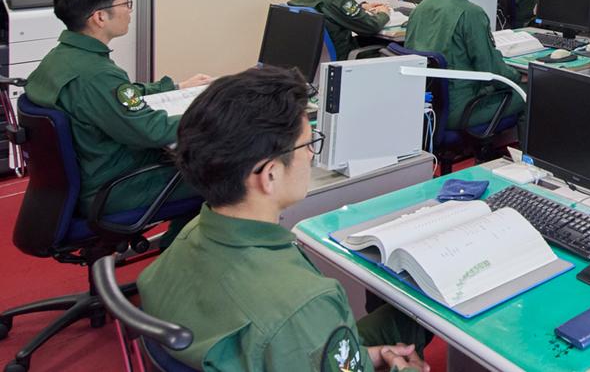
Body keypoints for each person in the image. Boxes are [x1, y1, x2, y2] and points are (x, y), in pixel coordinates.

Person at [138, 66, 430, 371]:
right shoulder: (305, 302)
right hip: (294, 342)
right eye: (307, 144)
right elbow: (298, 329)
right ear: (270, 175)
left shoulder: (190, 234)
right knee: (414, 315)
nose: (312, 155)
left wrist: (366, 356)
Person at [23, 0, 211, 215]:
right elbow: (152, 130)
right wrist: (215, 115)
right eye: (125, 3)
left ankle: (180, 238)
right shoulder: (97, 75)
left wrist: (175, 87)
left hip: (86, 178)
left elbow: (115, 97)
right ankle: (183, 240)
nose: (130, 10)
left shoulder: (61, 58)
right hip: (115, 188)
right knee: (224, 176)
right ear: (100, 17)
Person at [405, 0, 523, 130]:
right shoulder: (471, 13)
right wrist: (518, 76)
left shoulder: (421, 7)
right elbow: (492, 70)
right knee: (530, 93)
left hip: (427, 106)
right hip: (462, 109)